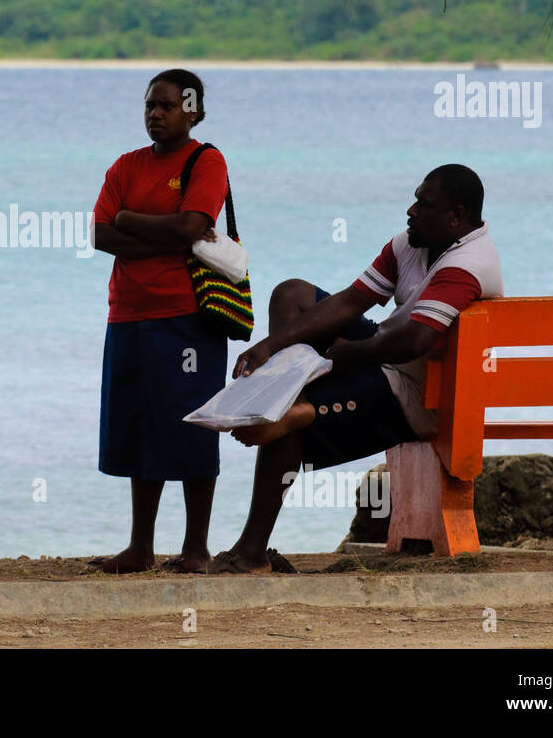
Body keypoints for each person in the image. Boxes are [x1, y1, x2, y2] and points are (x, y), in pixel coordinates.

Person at [208, 163, 502, 574]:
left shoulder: (467, 263)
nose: (411, 211)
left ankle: (252, 552)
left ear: (456, 216)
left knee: (289, 426)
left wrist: (343, 356)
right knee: (291, 295)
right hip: (386, 356)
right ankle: (293, 400)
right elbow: (350, 302)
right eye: (415, 199)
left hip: (421, 395)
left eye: (424, 203)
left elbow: (417, 341)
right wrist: (270, 346)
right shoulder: (412, 243)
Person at [88, 69, 231, 574]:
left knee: (193, 424)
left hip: (188, 316)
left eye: (167, 106)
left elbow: (193, 226)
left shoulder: (205, 161)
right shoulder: (125, 166)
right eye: (150, 105)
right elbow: (101, 235)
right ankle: (140, 546)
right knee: (138, 427)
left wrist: (131, 221)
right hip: (128, 314)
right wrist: (160, 235)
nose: (155, 114)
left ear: (192, 111)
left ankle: (196, 547)